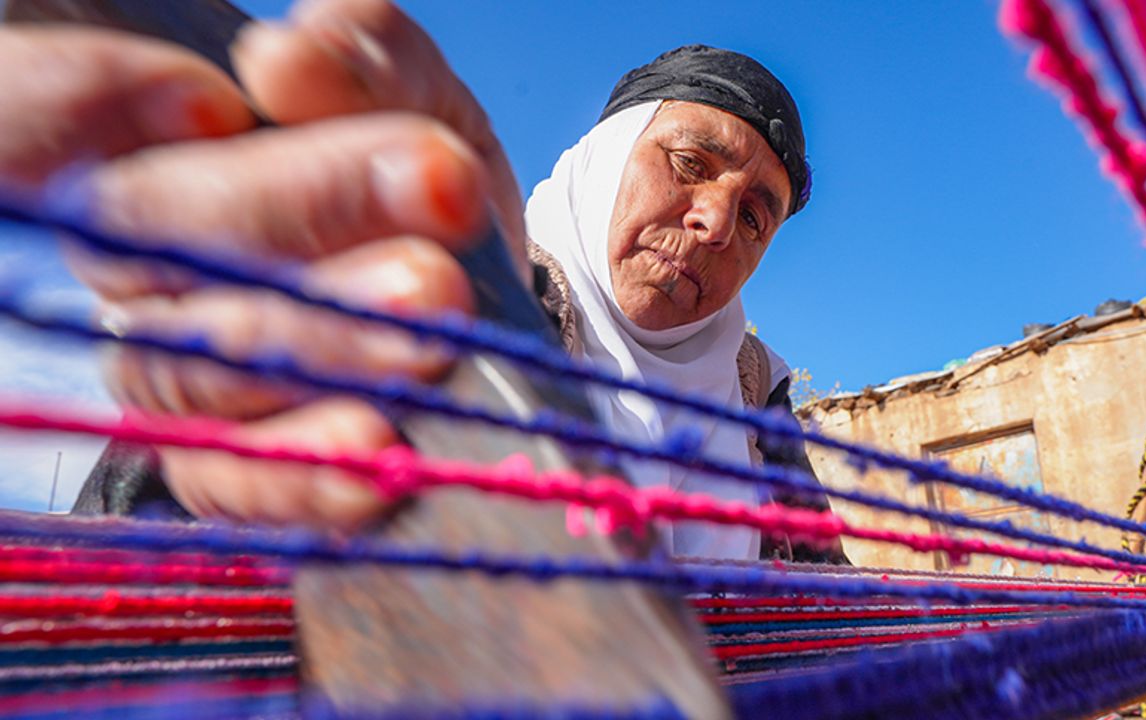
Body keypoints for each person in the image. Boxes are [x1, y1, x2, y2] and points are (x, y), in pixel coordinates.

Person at [0, 0, 844, 563]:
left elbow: (832, 618)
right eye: (690, 164)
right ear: (606, 162)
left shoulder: (753, 405)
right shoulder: (447, 290)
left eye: (756, 216)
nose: (713, 222)